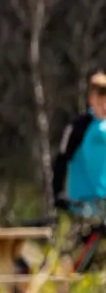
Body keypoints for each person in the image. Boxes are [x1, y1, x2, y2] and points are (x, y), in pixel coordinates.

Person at [53, 71, 106, 211]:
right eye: (100, 101)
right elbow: (62, 159)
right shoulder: (78, 126)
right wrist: (57, 193)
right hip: (82, 206)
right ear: (91, 99)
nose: (104, 106)